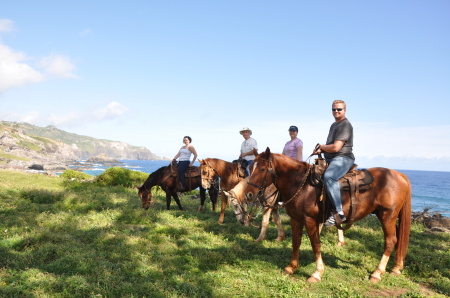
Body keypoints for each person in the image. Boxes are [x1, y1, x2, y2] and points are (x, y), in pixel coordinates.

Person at [313, 100, 355, 226]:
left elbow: (336, 148)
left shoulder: (345, 125)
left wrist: (322, 146)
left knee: (329, 177)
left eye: (339, 109)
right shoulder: (333, 125)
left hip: (343, 158)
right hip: (331, 158)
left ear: (345, 110)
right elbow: (330, 146)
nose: (336, 111)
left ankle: (339, 213)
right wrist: (322, 149)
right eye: (334, 109)